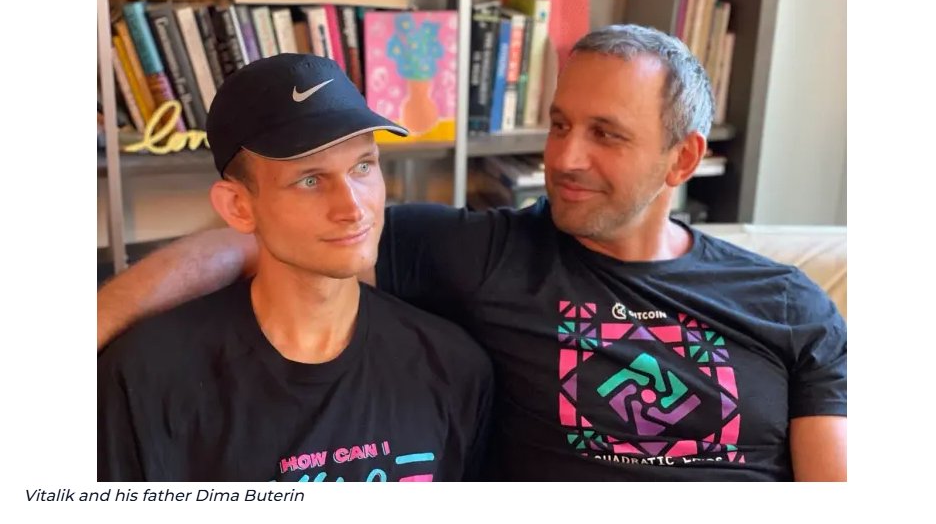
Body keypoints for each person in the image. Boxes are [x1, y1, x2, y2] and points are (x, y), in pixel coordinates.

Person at [98, 25, 846, 481]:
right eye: (559, 123)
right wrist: (93, 323)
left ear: (683, 158)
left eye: (606, 134)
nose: (565, 158)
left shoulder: (788, 305)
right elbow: (264, 238)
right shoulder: (483, 253)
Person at [97, 53, 494, 482]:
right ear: (238, 207)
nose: (352, 208)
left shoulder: (454, 367)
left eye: (363, 166)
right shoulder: (145, 380)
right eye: (310, 180)